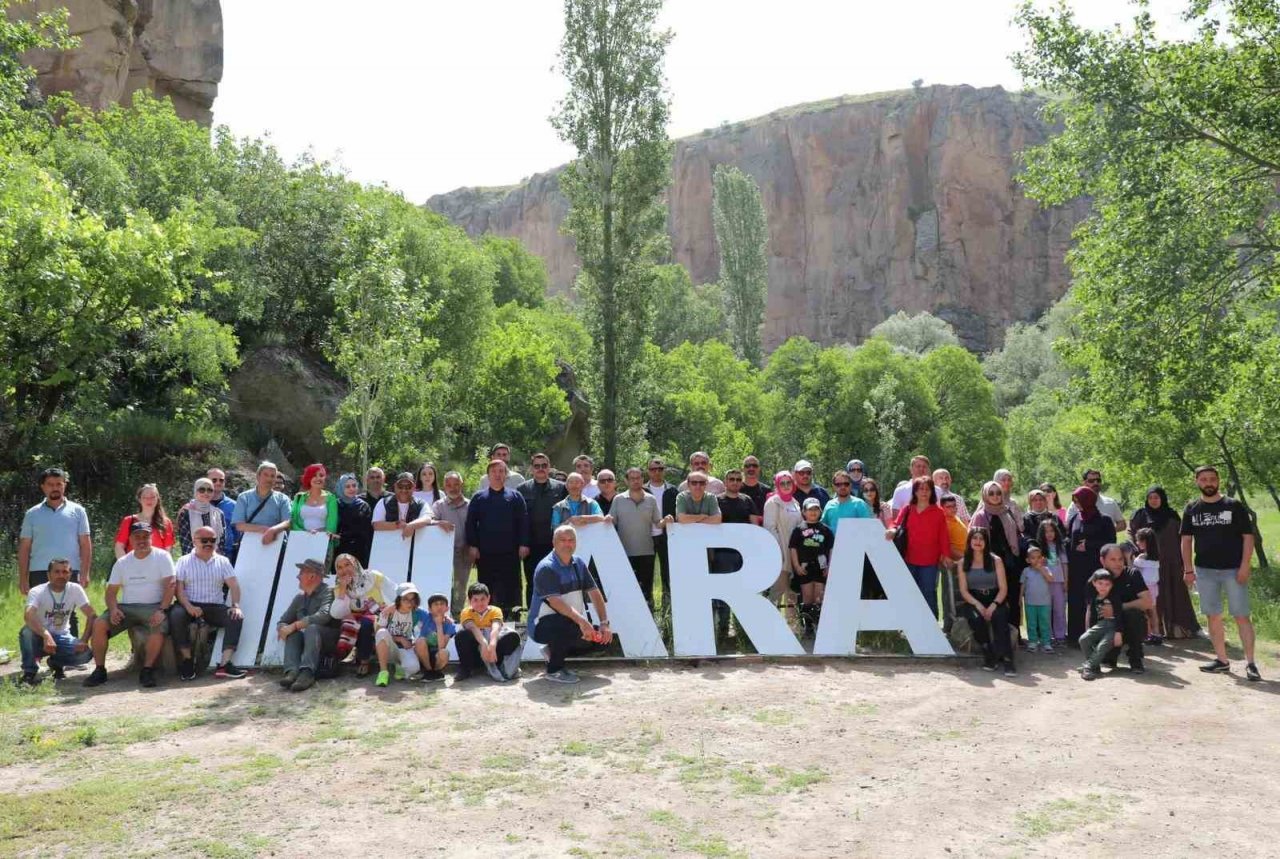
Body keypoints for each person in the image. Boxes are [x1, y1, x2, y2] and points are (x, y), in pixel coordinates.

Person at [1180, 465, 1260, 681]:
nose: (1208, 483)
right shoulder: (1191, 508)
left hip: (1233, 570)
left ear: (1218, 481)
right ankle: (1222, 661)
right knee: (1212, 615)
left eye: (1212, 479)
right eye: (1204, 479)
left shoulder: (1233, 506)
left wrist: (1245, 565)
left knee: (1241, 615)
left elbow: (1248, 537)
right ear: (1197, 482)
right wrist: (1188, 569)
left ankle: (1251, 663)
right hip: (1204, 571)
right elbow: (1186, 541)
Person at [84, 523, 176, 688]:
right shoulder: (123, 562)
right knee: (99, 624)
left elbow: (171, 585)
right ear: (130, 539)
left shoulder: (162, 557)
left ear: (151, 537)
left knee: (160, 625)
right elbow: (111, 592)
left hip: (153, 606)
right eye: (137, 537)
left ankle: (147, 670)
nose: (141, 540)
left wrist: (162, 610)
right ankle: (99, 670)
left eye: (145, 536)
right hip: (126, 607)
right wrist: (113, 609)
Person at [528, 525, 613, 684]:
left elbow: (594, 593)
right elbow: (556, 602)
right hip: (540, 625)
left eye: (571, 540)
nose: (568, 544)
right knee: (567, 625)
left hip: (570, 621)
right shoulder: (546, 567)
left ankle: (552, 651)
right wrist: (582, 622)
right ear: (553, 542)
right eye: (563, 540)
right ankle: (554, 670)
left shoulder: (579, 563)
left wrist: (604, 624)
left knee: (604, 641)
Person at [19, 468, 93, 638]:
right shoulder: (32, 514)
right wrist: (22, 578)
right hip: (39, 570)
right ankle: (37, 654)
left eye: (59, 484)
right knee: (37, 613)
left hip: (69, 571)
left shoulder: (78, 511)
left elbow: (85, 543)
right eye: (50, 484)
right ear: (43, 487)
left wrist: (85, 572)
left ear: (64, 486)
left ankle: (70, 653)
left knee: (69, 612)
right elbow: (24, 547)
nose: (55, 488)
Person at [170, 526, 247, 681]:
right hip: (189, 604)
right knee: (176, 615)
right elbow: (179, 590)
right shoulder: (183, 561)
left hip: (214, 606)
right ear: (194, 541)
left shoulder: (223, 561)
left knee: (236, 617)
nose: (208, 544)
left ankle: (224, 664)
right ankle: (187, 661)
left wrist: (236, 605)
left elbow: (234, 585)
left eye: (212, 540)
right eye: (204, 540)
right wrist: (189, 606)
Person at [1129, 486, 1199, 639]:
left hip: (1171, 562)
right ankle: (1153, 631)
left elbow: (1182, 538)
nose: (1154, 501)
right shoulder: (1140, 516)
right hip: (1148, 564)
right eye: (1151, 498)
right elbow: (1132, 536)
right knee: (1152, 598)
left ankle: (1178, 629)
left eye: (1157, 497)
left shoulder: (1172, 515)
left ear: (1162, 499)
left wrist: (1183, 563)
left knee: (1175, 594)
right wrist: (1137, 556)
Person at [466, 460, 530, 619]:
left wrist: (524, 543)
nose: (497, 474)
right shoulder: (479, 498)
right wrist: (473, 546)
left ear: (506, 475)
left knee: (512, 586)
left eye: (501, 471)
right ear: (488, 475)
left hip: (510, 552)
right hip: (486, 553)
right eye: (494, 471)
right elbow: (470, 523)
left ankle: (513, 617)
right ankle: (486, 616)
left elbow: (523, 521)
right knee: (487, 586)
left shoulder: (515, 496)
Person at [19, 558, 95, 685]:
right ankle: (29, 672)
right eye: (57, 572)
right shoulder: (37, 591)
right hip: (39, 636)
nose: (61, 575)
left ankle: (56, 663)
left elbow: (92, 615)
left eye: (65, 572)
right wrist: (46, 635)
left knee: (85, 654)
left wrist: (84, 639)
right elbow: (28, 615)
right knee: (27, 632)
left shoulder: (75, 589)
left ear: (70, 574)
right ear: (48, 574)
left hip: (61, 636)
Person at [886, 476, 951, 619]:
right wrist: (892, 529)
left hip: (930, 561)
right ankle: (910, 623)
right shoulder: (907, 509)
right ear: (915, 491)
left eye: (927, 489)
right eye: (921, 489)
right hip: (909, 558)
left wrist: (946, 554)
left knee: (928, 591)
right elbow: (895, 524)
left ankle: (932, 625)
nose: (924, 492)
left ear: (932, 492)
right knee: (909, 592)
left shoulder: (939, 512)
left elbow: (943, 535)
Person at [276, 558, 341, 692]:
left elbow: (324, 616)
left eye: (301, 573)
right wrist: (282, 629)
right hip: (308, 644)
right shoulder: (299, 598)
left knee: (311, 628)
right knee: (292, 634)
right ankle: (292, 672)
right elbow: (283, 620)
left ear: (312, 575)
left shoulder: (329, 592)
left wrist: (294, 625)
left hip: (328, 642)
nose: (298, 576)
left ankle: (307, 673)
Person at [957, 527, 1014, 675]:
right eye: (974, 538)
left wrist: (994, 605)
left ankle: (1008, 659)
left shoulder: (996, 561)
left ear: (986, 542)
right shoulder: (963, 563)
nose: (978, 541)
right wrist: (978, 605)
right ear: (969, 541)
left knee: (1000, 618)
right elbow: (963, 590)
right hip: (973, 599)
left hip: (995, 597)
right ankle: (989, 654)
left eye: (981, 538)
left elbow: (1003, 588)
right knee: (976, 619)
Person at [971, 481, 1026, 635]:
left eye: (998, 493)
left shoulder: (1007, 512)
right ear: (985, 495)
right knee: (994, 601)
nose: (995, 496)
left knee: (1013, 599)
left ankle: (1015, 634)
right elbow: (973, 541)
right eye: (991, 493)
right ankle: (995, 636)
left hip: (1010, 562)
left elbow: (1016, 535)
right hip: (989, 564)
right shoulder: (981, 515)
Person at [330, 553, 395, 676]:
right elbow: (336, 613)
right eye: (340, 567)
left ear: (355, 563)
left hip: (379, 615)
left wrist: (391, 606)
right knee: (350, 622)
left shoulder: (373, 576)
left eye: (347, 564)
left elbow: (394, 591)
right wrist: (343, 588)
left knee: (365, 622)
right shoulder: (339, 587)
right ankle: (358, 656)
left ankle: (364, 661)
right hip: (355, 618)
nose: (344, 570)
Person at [1065, 486, 1117, 639]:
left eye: (1079, 501)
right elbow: (1070, 538)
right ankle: (1075, 636)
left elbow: (1110, 543)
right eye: (1074, 501)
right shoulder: (1075, 518)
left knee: (1095, 600)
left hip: (1094, 567)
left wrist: (1089, 545)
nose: (1077, 504)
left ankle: (1097, 635)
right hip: (1076, 567)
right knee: (1076, 601)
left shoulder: (1104, 520)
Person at [518, 452, 569, 610]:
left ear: (549, 467)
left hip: (554, 544)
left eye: (544, 465)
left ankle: (557, 613)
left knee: (557, 580)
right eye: (537, 466)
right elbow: (520, 519)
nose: (540, 469)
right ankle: (534, 614)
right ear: (531, 468)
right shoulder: (522, 489)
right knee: (533, 580)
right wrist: (523, 543)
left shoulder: (561, 488)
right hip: (531, 546)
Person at [612, 467, 668, 608]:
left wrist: (667, 520)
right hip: (624, 552)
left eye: (638, 478)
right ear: (626, 481)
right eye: (632, 478)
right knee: (627, 591)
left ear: (643, 479)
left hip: (646, 552)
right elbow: (611, 521)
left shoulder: (651, 499)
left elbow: (658, 522)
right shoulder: (618, 499)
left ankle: (650, 621)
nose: (636, 481)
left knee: (646, 592)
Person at [1095, 543, 1152, 674]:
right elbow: (1090, 610)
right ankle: (1109, 654)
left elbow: (1147, 602)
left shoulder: (1133, 574)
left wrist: (1118, 607)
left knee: (1133, 614)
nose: (1118, 563)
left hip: (1131, 624)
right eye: (1113, 560)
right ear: (1102, 561)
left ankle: (1135, 658)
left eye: (1120, 559)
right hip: (1108, 625)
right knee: (1106, 660)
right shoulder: (1098, 579)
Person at [455, 582, 522, 682]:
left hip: (493, 648)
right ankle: (466, 668)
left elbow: (495, 628)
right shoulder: (466, 612)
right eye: (475, 600)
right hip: (477, 648)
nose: (479, 603)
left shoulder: (495, 610)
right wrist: (484, 644)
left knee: (512, 636)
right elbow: (473, 628)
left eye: (483, 599)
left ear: (488, 598)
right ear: (469, 601)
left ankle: (498, 664)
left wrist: (492, 645)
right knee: (462, 635)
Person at [790, 498, 834, 634]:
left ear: (820, 511)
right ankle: (808, 627)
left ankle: (820, 626)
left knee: (819, 597)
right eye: (810, 509)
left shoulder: (826, 530)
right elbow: (793, 548)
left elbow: (831, 549)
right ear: (804, 512)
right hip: (805, 568)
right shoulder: (798, 529)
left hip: (821, 568)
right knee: (807, 597)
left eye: (816, 509)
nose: (813, 512)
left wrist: (829, 567)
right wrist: (796, 566)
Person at [374, 583, 431, 686]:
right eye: (405, 599)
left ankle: (399, 667)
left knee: (414, 668)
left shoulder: (418, 612)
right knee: (382, 633)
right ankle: (383, 672)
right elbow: (378, 632)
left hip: (406, 648)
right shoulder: (389, 611)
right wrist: (399, 638)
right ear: (398, 599)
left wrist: (446, 618)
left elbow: (432, 617)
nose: (409, 603)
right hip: (389, 647)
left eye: (412, 599)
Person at [762, 471, 802, 618]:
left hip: (794, 552)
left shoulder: (795, 502)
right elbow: (770, 528)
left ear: (793, 484)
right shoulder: (773, 502)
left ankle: (793, 627)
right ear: (777, 485)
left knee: (792, 592)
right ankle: (770, 627)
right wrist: (778, 552)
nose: (786, 486)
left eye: (788, 482)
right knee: (778, 590)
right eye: (782, 483)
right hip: (780, 551)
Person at [432, 472, 473, 614]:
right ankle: (441, 613)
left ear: (462, 485)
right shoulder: (438, 505)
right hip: (443, 554)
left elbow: (476, 527)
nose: (453, 488)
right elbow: (429, 523)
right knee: (442, 584)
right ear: (444, 486)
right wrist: (438, 522)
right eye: (449, 485)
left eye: (456, 484)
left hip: (464, 552)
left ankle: (456, 615)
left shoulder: (471, 505)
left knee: (460, 586)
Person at [231, 461, 293, 549]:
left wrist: (273, 530)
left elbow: (288, 521)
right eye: (266, 475)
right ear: (258, 476)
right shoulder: (244, 497)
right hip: (249, 545)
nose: (269, 478)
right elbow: (239, 525)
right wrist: (264, 530)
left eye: (272, 476)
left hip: (276, 543)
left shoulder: (283, 499)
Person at [1077, 570, 1123, 681]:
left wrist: (1118, 633)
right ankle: (1094, 666)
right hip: (1100, 625)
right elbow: (1093, 616)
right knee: (1083, 639)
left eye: (1107, 584)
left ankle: (1088, 667)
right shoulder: (1094, 598)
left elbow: (1120, 615)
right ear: (1094, 583)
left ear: (1111, 585)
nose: (1103, 587)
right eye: (1100, 583)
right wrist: (1089, 630)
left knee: (1102, 646)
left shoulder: (1114, 598)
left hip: (1114, 627)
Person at [645, 458, 678, 606]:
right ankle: (649, 604)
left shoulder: (673, 490)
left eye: (660, 469)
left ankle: (668, 605)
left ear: (664, 471)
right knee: (647, 573)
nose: (657, 472)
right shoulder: (642, 490)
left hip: (667, 537)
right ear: (648, 471)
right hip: (646, 536)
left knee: (668, 572)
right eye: (653, 469)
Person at [114, 484, 176, 559]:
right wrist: (126, 566)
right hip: (134, 567)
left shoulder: (165, 522)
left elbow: (168, 551)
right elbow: (119, 546)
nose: (149, 500)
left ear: (158, 499)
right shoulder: (129, 521)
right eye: (145, 497)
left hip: (157, 568)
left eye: (152, 497)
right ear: (139, 499)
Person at [1035, 518, 1069, 644]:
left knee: (1059, 609)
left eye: (1051, 531)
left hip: (1059, 583)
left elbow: (1065, 564)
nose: (1049, 534)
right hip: (1044, 583)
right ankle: (1046, 636)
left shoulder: (1060, 547)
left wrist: (1066, 581)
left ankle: (1060, 635)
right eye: (1046, 531)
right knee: (1045, 610)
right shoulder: (1039, 549)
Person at [372, 472, 434, 539]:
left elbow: (427, 518)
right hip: (388, 545)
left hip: (414, 546)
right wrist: (398, 525)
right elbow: (376, 525)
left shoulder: (421, 503)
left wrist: (411, 525)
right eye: (400, 486)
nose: (404, 490)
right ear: (395, 486)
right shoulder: (383, 502)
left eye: (408, 487)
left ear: (414, 488)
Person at [940, 494, 969, 632]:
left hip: (963, 563)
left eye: (954, 506)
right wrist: (966, 557)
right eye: (948, 507)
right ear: (942, 508)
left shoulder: (956, 518)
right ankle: (949, 627)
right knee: (949, 595)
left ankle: (961, 625)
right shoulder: (943, 522)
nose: (952, 509)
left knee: (961, 595)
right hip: (952, 564)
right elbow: (948, 546)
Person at [179, 477, 226, 556]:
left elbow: (221, 541)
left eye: (210, 490)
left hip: (214, 558)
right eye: (202, 490)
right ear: (195, 491)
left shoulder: (218, 513)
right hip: (193, 558)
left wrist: (216, 558)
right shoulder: (186, 512)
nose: (206, 493)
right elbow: (185, 541)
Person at [1020, 545, 1055, 653]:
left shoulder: (1046, 569)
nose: (1036, 560)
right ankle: (1033, 642)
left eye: (1039, 557)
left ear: (1042, 558)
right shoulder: (1026, 571)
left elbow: (1050, 579)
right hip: (1030, 602)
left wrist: (1041, 569)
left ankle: (1046, 642)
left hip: (1044, 602)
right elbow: (1023, 585)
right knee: (1031, 623)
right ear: (1028, 560)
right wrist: (1020, 598)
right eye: (1033, 558)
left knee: (1045, 622)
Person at [334, 473, 373, 568]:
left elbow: (364, 530)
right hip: (339, 549)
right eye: (347, 486)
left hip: (359, 550)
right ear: (341, 488)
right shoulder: (335, 505)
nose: (352, 489)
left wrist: (341, 536)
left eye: (354, 485)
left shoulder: (363, 506)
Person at [1133, 527, 1163, 645]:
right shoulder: (1156, 557)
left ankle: (1147, 634)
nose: (1137, 543)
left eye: (1139, 540)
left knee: (1144, 612)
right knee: (1153, 611)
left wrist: (1130, 558)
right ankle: (1156, 633)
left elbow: (1133, 569)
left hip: (1144, 589)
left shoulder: (1141, 558)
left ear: (1145, 542)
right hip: (1154, 587)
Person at [290, 463, 338, 537]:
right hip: (300, 540)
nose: (318, 478)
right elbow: (292, 521)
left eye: (321, 476)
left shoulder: (331, 498)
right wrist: (305, 533)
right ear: (308, 478)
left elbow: (332, 524)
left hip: (323, 541)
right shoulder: (298, 497)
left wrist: (322, 536)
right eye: (314, 475)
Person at [419, 592, 455, 682]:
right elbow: (412, 605)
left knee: (444, 652)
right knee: (420, 641)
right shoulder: (426, 616)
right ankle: (428, 671)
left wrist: (439, 624)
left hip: (436, 655)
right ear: (430, 609)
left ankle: (436, 672)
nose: (439, 607)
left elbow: (441, 647)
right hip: (422, 654)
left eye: (442, 604)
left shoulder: (449, 624)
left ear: (447, 608)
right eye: (436, 604)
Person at [207, 468, 238, 557]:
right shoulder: (197, 504)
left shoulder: (234, 505)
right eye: (214, 480)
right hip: (202, 553)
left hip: (227, 554)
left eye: (221, 480)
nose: (218, 483)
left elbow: (237, 531)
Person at [739, 456, 769, 523]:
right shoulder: (736, 490)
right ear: (742, 469)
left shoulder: (767, 491)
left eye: (755, 466)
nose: (751, 468)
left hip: (761, 530)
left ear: (759, 469)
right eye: (747, 466)